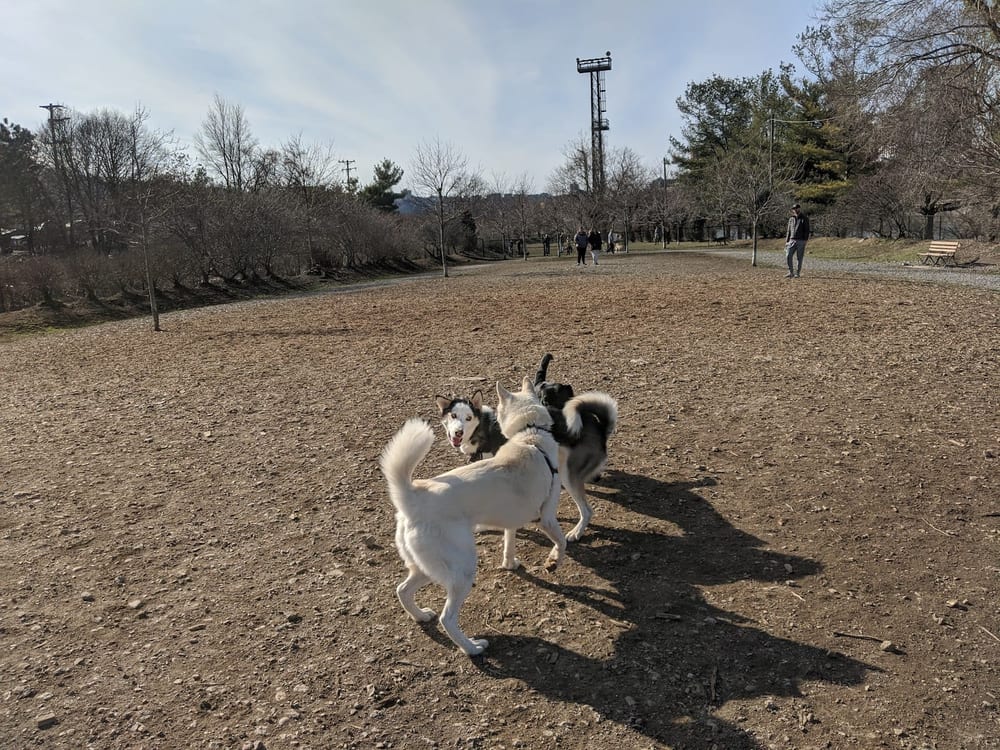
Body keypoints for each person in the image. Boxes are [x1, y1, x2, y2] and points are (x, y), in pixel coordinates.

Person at [785, 203, 810, 278]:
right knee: (788, 255)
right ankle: (790, 272)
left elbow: (807, 230)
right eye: (794, 209)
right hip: (791, 240)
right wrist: (787, 241)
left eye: (796, 208)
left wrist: (805, 240)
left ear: (799, 209)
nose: (795, 210)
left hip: (801, 240)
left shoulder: (804, 218)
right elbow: (788, 231)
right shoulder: (791, 219)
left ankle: (797, 273)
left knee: (799, 257)